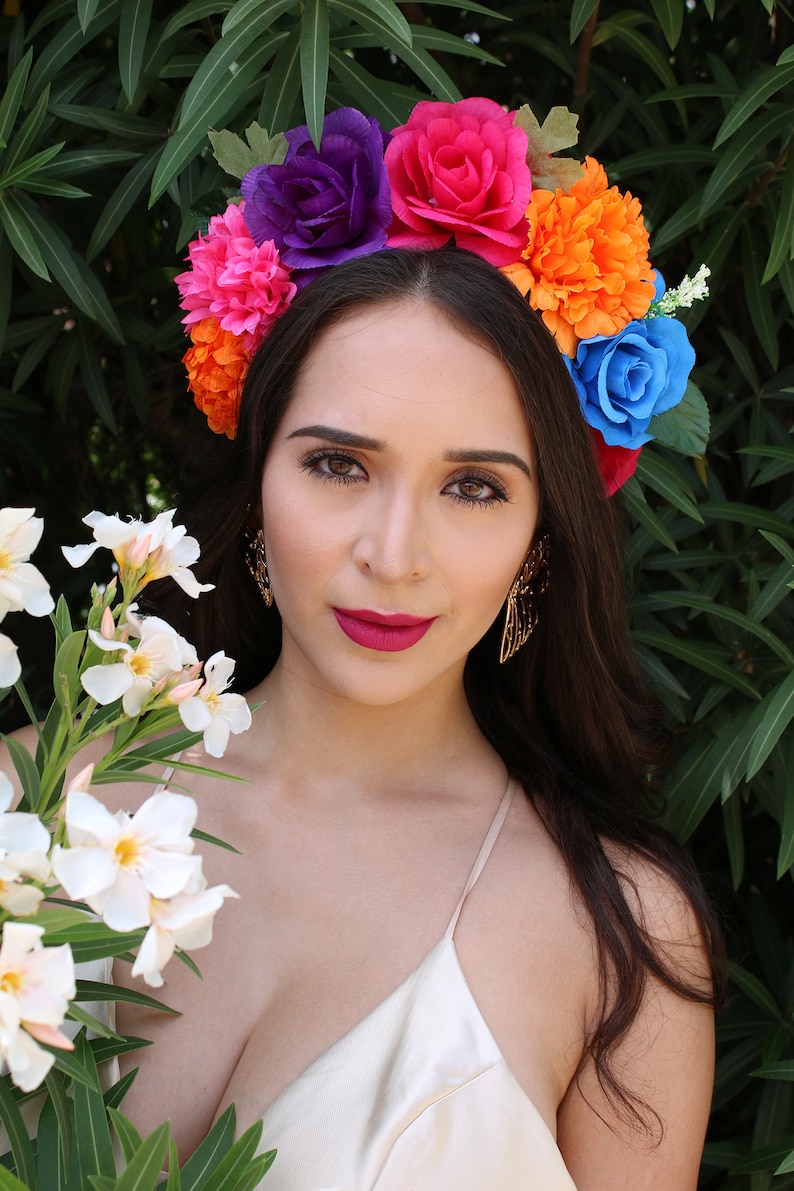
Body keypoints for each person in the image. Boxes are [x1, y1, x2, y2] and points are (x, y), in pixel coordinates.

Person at [105, 238, 722, 1190]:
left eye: (473, 487)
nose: (394, 556)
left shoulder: (620, 938)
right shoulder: (46, 791)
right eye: (340, 465)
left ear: (539, 541)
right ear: (260, 481)